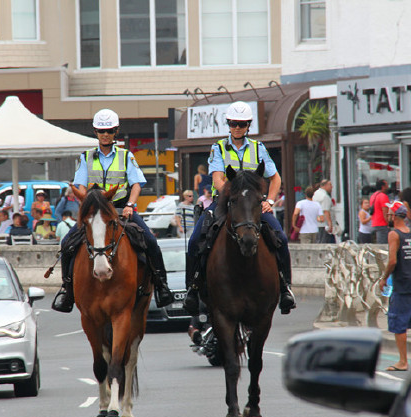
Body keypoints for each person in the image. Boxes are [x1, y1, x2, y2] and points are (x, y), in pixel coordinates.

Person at [51, 108, 174, 312]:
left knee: (151, 242)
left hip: (120, 209)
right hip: (94, 212)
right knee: (66, 243)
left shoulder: (127, 156)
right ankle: (67, 290)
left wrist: (129, 205)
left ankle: (162, 286)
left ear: (116, 131)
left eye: (109, 130)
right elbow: (80, 185)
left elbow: (136, 184)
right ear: (95, 132)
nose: (105, 134)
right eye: (101, 130)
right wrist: (85, 200)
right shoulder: (86, 157)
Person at [184, 101, 296, 315]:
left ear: (248, 126)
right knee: (196, 238)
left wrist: (269, 201)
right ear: (228, 124)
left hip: (254, 204)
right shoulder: (218, 147)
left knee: (280, 237)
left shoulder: (258, 148)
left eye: (242, 124)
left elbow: (275, 178)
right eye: (234, 123)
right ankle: (193, 288)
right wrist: (231, 194)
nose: (238, 128)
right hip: (226, 201)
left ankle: (285, 288)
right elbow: (217, 178)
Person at [378, 202, 411, 372]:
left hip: (402, 284)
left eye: (389, 212)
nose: (387, 215)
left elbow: (392, 260)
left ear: (394, 216)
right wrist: (410, 262)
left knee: (399, 322)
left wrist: (384, 278)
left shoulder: (394, 234)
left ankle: (403, 361)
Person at [313, 179, 334, 243]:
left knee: (318, 240)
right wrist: (330, 224)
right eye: (330, 185)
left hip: (316, 222)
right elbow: (326, 211)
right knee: (324, 241)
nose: (331, 187)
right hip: (323, 224)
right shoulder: (325, 196)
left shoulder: (316, 193)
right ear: (325, 185)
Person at [370, 179, 391, 244]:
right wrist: (388, 224)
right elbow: (385, 213)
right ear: (383, 187)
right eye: (387, 185)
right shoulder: (383, 196)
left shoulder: (373, 196)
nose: (388, 187)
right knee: (383, 246)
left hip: (374, 223)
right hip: (382, 224)